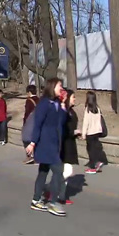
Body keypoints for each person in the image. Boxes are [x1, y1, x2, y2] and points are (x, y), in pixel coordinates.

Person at [25, 77, 67, 217]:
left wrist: (62, 105)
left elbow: (61, 121)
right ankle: (53, 202)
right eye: (59, 86)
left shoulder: (55, 102)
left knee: (43, 171)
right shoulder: (43, 104)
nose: (61, 88)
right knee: (58, 170)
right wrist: (32, 142)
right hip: (45, 143)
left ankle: (36, 200)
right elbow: (38, 124)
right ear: (52, 86)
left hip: (54, 143)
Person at [60, 89, 80, 204]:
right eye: (73, 97)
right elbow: (63, 130)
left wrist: (77, 133)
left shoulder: (71, 111)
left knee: (64, 171)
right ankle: (51, 188)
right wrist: (74, 132)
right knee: (67, 171)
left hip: (71, 143)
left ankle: (61, 196)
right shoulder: (63, 112)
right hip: (63, 145)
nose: (74, 99)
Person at [81, 91, 105, 174]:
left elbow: (85, 122)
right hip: (97, 132)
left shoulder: (88, 109)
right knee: (95, 148)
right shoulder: (97, 109)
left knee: (90, 150)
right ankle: (96, 162)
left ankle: (94, 165)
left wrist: (83, 134)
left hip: (90, 133)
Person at [23, 85, 40, 164]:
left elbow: (27, 113)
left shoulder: (29, 100)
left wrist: (25, 122)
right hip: (38, 122)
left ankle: (29, 156)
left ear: (29, 92)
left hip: (30, 123)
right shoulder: (39, 100)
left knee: (26, 138)